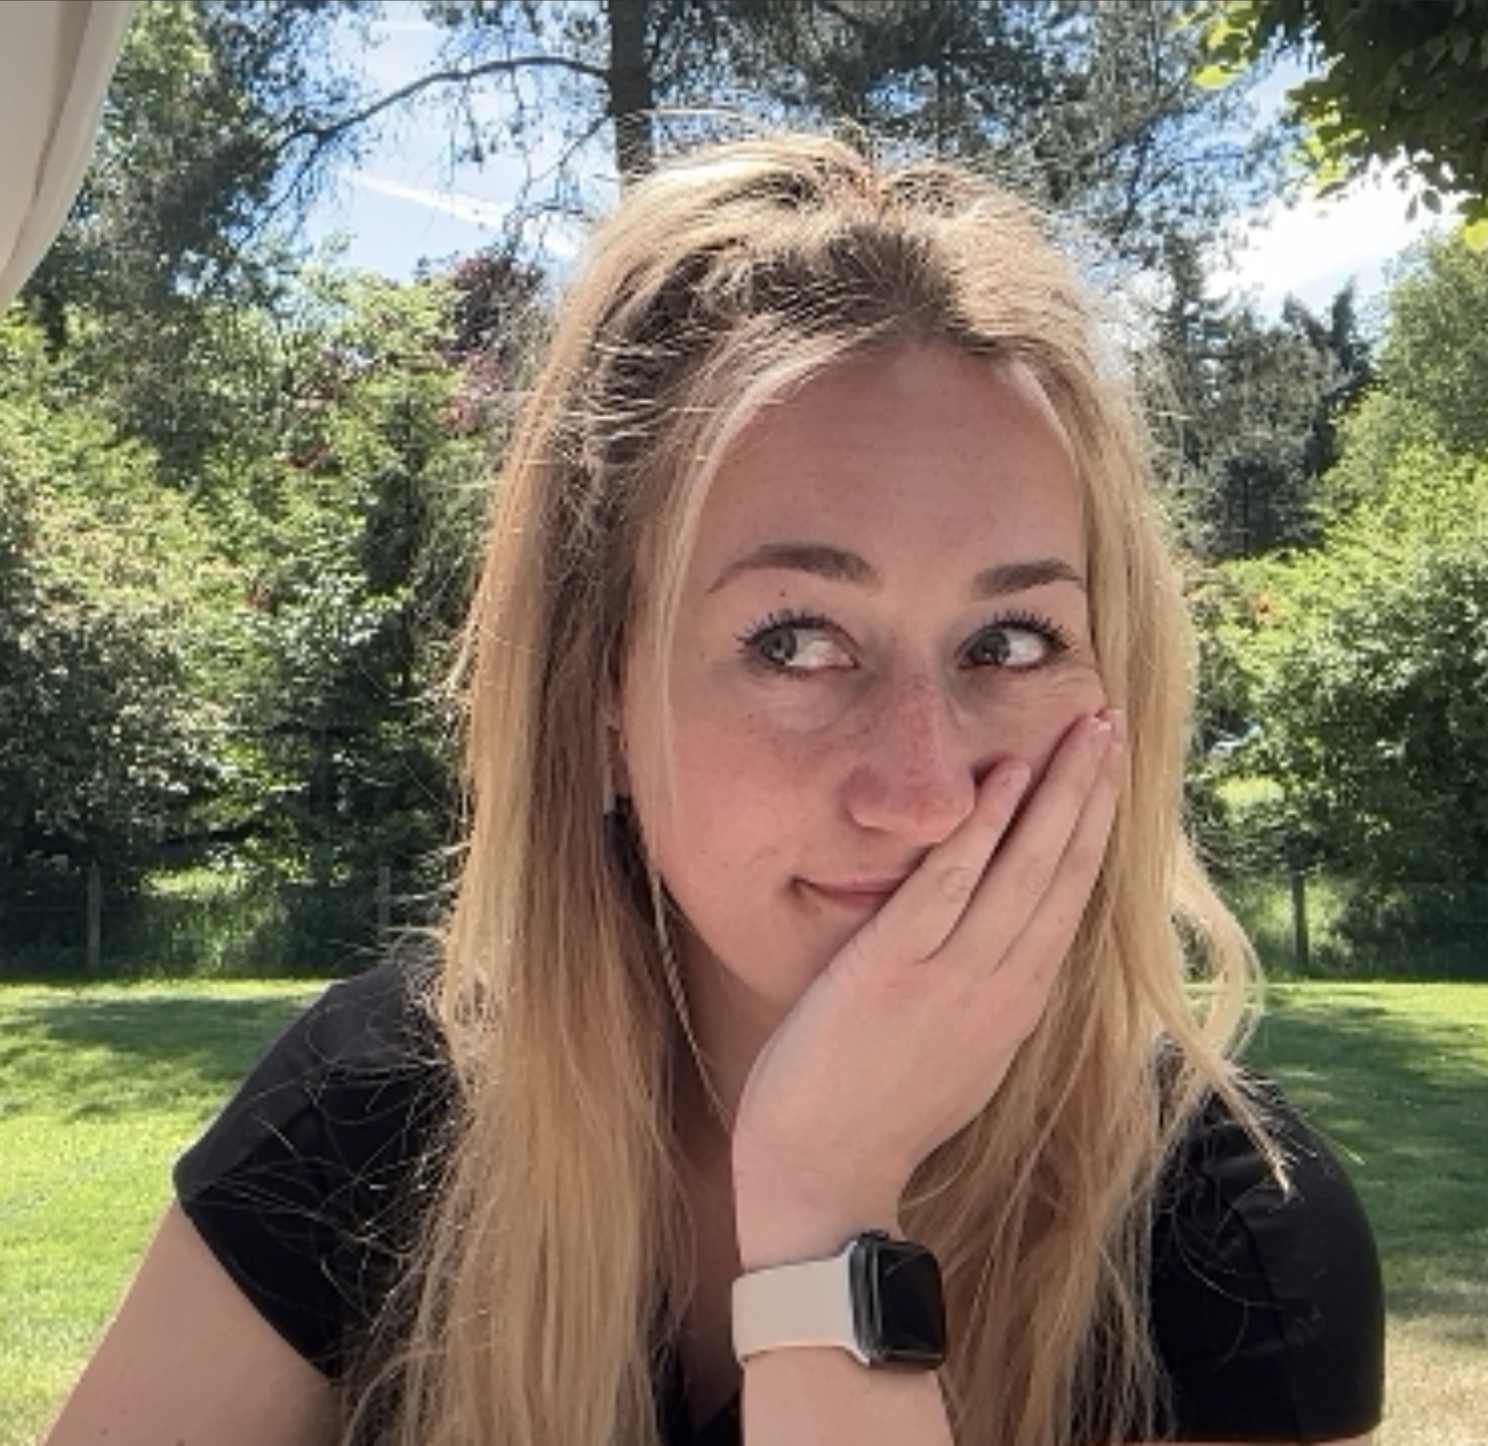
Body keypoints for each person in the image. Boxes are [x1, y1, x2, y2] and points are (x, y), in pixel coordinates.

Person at [42, 132, 1384, 1446]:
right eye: (794, 640)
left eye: (1009, 640)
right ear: (602, 698)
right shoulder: (374, 1115)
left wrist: (824, 1214)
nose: (922, 793)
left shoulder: (1223, 1236)